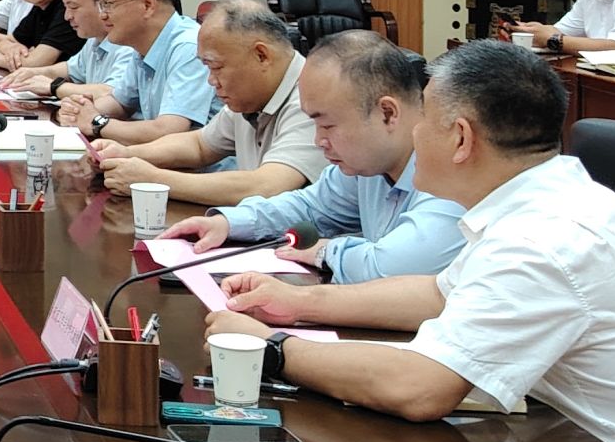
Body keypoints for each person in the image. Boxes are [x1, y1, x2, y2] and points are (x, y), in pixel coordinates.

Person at [203, 40, 615, 442]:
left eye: (425, 119)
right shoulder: (541, 198)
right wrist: (300, 301)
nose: (413, 133)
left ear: (461, 139)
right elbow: (437, 294)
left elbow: (420, 388)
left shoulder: (545, 238)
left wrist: (269, 349)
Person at [161, 31, 465, 281]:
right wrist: (229, 222)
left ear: (387, 113)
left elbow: (393, 267)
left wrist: (326, 250)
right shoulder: (368, 165)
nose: (319, 141)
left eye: (327, 125)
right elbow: (310, 206)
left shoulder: (452, 173)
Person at [91, 0, 326, 207]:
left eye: (216, 67)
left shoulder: (311, 101)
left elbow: (266, 186)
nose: (211, 81)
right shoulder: (250, 98)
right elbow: (199, 145)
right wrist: (126, 154)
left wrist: (153, 179)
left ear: (261, 55)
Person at [64, 0, 217, 144]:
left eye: (108, 3)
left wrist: (97, 122)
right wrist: (79, 111)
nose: (102, 15)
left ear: (147, 4)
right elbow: (120, 103)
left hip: (201, 164)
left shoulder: (189, 47)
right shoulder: (143, 46)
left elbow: (169, 130)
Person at [2, 0, 115, 98]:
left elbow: (113, 94)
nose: (67, 16)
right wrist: (34, 73)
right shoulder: (95, 39)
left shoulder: (126, 43)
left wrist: (54, 87)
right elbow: (71, 69)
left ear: (103, 4)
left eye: (73, 7)